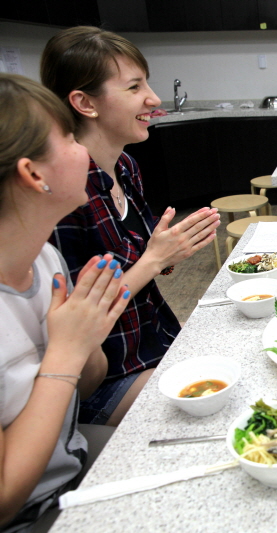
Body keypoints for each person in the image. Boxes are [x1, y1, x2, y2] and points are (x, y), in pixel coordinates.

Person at [40, 27, 221, 427]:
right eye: (135, 87)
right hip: (109, 378)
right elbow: (75, 324)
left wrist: (167, 249)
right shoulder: (67, 193)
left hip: (154, 344)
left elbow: (140, 258)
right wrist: (155, 259)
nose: (153, 99)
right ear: (84, 103)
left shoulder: (125, 166)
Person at [0, 73, 130, 531]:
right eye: (71, 137)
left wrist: (87, 340)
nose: (84, 150)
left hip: (72, 466)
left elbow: (85, 385)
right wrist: (64, 353)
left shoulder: (46, 259)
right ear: (33, 174)